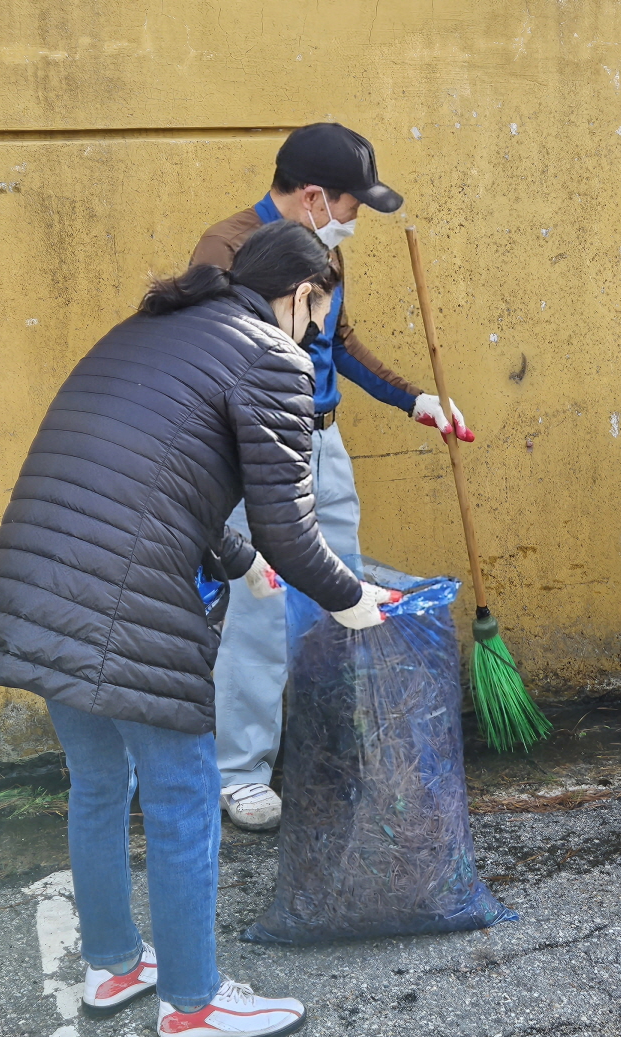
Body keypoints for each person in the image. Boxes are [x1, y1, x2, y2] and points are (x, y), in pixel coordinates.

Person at [0, 222, 399, 1037]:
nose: (316, 333)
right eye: (319, 313)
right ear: (300, 294)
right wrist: (351, 598)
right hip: (126, 597)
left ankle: (113, 963)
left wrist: (239, 560)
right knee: (184, 793)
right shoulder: (270, 355)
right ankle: (195, 1002)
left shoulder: (151, 328)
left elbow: (150, 477)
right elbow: (288, 524)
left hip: (40, 576)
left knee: (99, 782)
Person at [191, 122, 475, 831]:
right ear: (315, 195)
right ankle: (241, 773)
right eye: (352, 205)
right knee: (259, 614)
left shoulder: (322, 249)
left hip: (325, 441)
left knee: (339, 602)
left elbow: (337, 343)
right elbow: (210, 360)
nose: (355, 220)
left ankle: (330, 757)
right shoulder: (226, 248)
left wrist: (415, 399)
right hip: (255, 452)